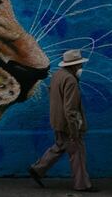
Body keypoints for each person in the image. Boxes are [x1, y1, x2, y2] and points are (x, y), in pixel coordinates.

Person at [28, 49, 98, 192]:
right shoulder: (71, 80)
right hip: (68, 124)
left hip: (57, 121)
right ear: (73, 66)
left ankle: (37, 169)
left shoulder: (57, 75)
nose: (80, 68)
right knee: (77, 152)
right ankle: (82, 185)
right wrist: (74, 131)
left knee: (60, 146)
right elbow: (70, 109)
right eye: (79, 65)